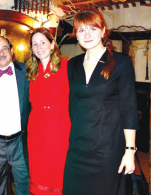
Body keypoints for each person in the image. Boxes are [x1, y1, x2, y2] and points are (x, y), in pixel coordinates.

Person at [63, 9, 138, 195]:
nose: (87, 35)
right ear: (76, 35)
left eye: (92, 29)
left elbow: (128, 108)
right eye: (81, 30)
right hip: (78, 146)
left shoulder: (122, 62)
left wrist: (130, 151)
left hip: (108, 148)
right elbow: (74, 106)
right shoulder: (72, 64)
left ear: (103, 30)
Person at [0, 36, 30, 195]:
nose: (1, 53)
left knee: (25, 182)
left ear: (12, 51)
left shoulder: (27, 72)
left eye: (4, 48)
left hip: (20, 142)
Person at [26, 27, 70, 194]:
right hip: (36, 128)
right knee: (38, 170)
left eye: (43, 42)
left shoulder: (67, 66)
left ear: (52, 45)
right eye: (35, 44)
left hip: (59, 127)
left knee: (57, 170)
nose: (39, 47)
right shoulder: (31, 70)